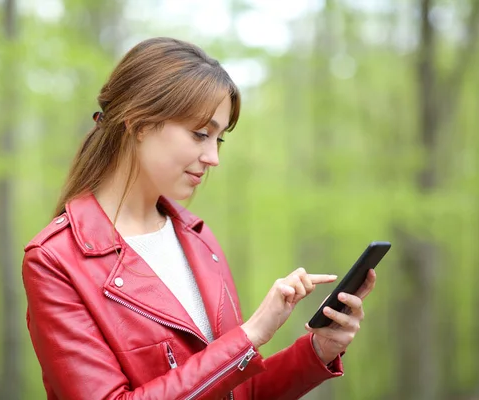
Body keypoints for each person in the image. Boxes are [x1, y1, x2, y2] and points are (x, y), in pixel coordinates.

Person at [22, 37, 376, 400]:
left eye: (218, 140)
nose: (212, 158)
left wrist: (318, 351)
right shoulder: (55, 260)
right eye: (200, 134)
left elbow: (238, 391)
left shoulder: (197, 237)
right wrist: (250, 336)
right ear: (139, 124)